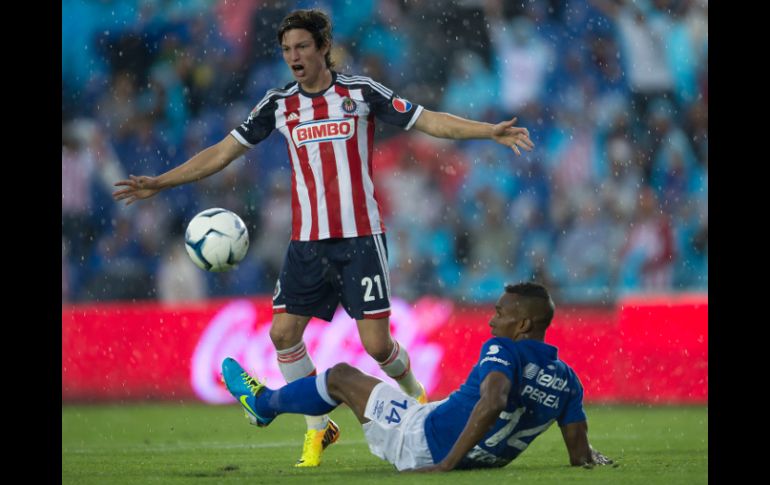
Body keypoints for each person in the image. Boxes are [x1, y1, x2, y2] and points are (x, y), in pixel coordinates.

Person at [112, 8, 534, 467]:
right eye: (287, 49)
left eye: (302, 47)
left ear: (322, 48)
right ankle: (319, 428)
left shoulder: (360, 92)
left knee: (376, 346)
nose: (294, 56)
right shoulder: (278, 104)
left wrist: (486, 131)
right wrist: (163, 182)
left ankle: (415, 393)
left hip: (360, 239)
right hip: (308, 244)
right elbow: (223, 152)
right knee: (283, 334)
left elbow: (426, 120)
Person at [221, 282, 613, 471]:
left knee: (340, 375)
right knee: (381, 389)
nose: (492, 320)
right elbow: (580, 456)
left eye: (500, 313)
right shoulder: (567, 380)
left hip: (420, 436)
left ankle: (264, 405)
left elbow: (493, 400)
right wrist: (595, 458)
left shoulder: (502, 350)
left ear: (523, 324)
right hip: (458, 440)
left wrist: (446, 464)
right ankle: (299, 415)